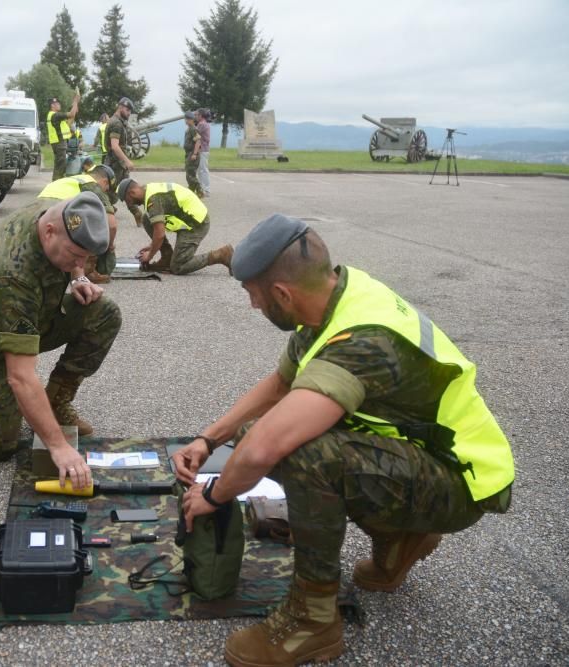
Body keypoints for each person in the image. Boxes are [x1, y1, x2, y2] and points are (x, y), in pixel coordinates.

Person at [172, 214, 514, 667]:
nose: (253, 307)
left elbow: (264, 449)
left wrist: (213, 495)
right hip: (429, 459)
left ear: (281, 294)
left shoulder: (364, 340)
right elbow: (280, 383)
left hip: (463, 484)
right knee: (275, 432)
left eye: (253, 296)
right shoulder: (334, 298)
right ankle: (400, 539)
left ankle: (313, 619)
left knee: (304, 452)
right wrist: (208, 439)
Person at [0, 192, 121, 491]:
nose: (81, 262)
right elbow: (20, 375)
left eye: (85, 257)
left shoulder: (60, 215)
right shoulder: (12, 273)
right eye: (75, 256)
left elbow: (78, 240)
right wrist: (58, 447)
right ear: (49, 232)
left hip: (33, 312)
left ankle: (55, 402)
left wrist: (77, 276)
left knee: (104, 313)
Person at [115, 178, 233, 275]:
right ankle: (167, 257)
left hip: (196, 223)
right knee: (147, 219)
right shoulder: (149, 189)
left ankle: (221, 255)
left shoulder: (153, 199)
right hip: (187, 218)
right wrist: (152, 246)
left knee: (178, 267)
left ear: (132, 193)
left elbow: (159, 234)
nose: (129, 204)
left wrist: (149, 255)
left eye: (127, 200)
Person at [38, 164, 118, 284]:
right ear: (105, 181)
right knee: (92, 230)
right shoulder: (92, 186)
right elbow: (112, 225)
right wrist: (109, 246)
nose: (105, 192)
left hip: (39, 217)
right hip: (58, 217)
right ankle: (88, 272)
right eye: (107, 189)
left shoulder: (74, 179)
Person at [103, 97, 143, 225]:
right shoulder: (116, 123)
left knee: (125, 189)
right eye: (127, 110)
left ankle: (137, 214)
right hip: (116, 164)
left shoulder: (118, 121)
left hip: (117, 163)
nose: (129, 113)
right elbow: (115, 146)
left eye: (130, 111)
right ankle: (105, 211)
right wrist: (127, 161)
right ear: (120, 107)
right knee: (114, 190)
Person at [47, 94, 80, 181]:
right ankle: (56, 185)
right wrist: (76, 101)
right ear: (52, 105)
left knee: (58, 165)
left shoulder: (52, 115)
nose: (59, 105)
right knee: (61, 167)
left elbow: (69, 121)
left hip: (57, 143)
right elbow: (71, 114)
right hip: (59, 143)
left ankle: (55, 183)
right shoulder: (55, 115)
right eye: (58, 104)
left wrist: (75, 105)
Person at [183, 111, 202, 197]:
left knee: (190, 174)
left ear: (191, 120)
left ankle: (199, 190)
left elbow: (198, 141)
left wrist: (194, 154)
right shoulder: (189, 129)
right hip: (189, 153)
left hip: (192, 154)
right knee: (189, 173)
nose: (185, 121)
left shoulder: (193, 129)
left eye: (187, 119)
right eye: (185, 119)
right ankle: (191, 190)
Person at [196, 108, 212, 197]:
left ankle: (206, 190)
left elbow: (195, 134)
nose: (196, 116)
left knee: (203, 170)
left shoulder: (202, 124)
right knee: (201, 171)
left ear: (201, 116)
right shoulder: (202, 124)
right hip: (202, 150)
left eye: (197, 115)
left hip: (203, 150)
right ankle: (202, 189)